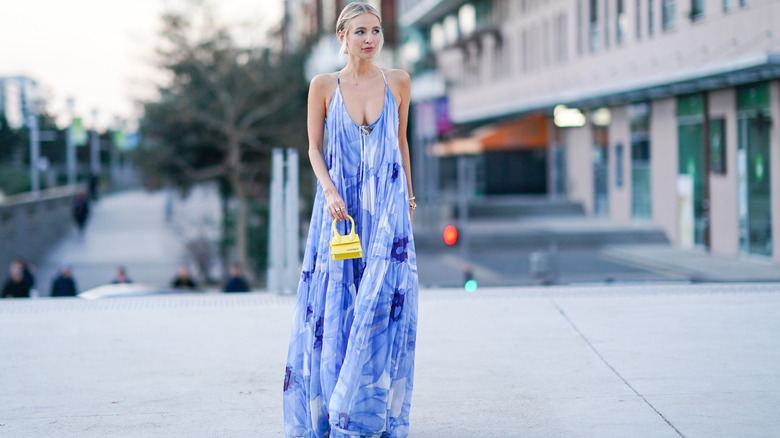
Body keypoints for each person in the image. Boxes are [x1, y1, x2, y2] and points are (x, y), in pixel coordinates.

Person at [283, 3, 418, 437]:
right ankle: (336, 412)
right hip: (341, 213)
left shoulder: (398, 81)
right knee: (336, 309)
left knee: (381, 308)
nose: (370, 39)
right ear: (342, 37)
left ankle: (363, 412)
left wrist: (409, 199)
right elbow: (313, 149)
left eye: (375, 31)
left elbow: (400, 143)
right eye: (360, 31)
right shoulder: (323, 85)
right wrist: (329, 191)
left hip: (387, 214)